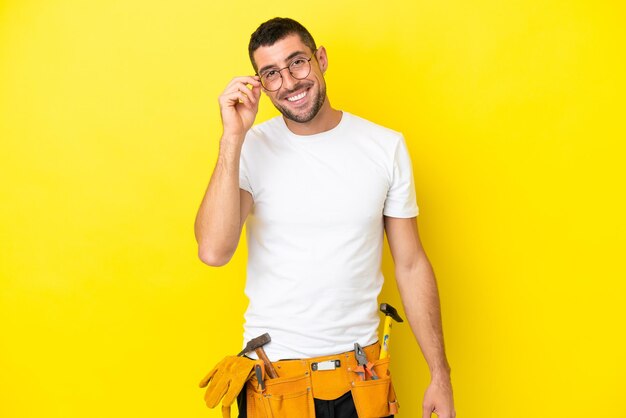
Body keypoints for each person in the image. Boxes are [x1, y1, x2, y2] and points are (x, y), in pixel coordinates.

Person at [195, 17, 455, 418]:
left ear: (321, 58)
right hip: (274, 381)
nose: (289, 83)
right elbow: (213, 250)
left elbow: (411, 263)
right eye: (271, 74)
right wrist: (232, 137)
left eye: (297, 63)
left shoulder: (385, 147)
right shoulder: (250, 148)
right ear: (260, 85)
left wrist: (440, 374)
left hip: (361, 379)